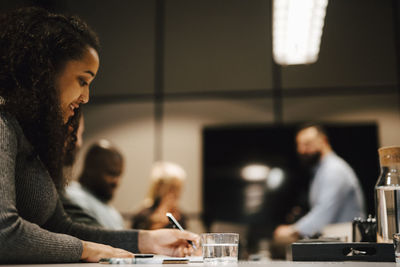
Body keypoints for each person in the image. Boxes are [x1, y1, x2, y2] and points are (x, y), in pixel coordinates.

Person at [0, 7, 198, 264]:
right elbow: (4, 234)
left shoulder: (29, 136)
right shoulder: (3, 124)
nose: (86, 97)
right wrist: (87, 250)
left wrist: (146, 241)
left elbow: (62, 230)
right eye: (82, 81)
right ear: (45, 73)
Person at [273, 124, 365, 243]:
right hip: (340, 241)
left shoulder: (334, 170)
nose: (301, 150)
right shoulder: (321, 170)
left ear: (324, 141)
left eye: (307, 144)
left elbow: (324, 211)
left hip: (349, 243)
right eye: (299, 145)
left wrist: (293, 229)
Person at [65, 140, 126, 230]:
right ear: (90, 169)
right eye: (111, 174)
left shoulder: (112, 212)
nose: (116, 182)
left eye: (119, 175)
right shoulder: (72, 197)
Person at [132, 161, 187, 230]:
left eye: (178, 189)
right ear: (159, 188)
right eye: (172, 188)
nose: (176, 194)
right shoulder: (143, 215)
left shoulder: (180, 216)